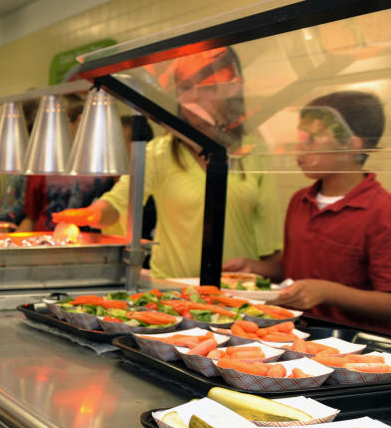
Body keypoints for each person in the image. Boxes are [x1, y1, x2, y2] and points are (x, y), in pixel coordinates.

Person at [55, 47, 282, 279]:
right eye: (185, 88)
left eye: (207, 88)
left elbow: (272, 253)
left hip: (236, 293)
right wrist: (90, 214)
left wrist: (256, 270)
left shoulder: (254, 151)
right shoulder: (159, 152)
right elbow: (118, 203)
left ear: (232, 90)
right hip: (171, 291)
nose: (193, 97)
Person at [223, 90, 391, 329]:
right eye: (299, 139)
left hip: (351, 347)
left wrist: (328, 292)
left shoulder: (382, 211)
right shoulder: (300, 200)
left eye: (310, 140)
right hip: (290, 331)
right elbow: (289, 270)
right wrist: (252, 269)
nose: (298, 150)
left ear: (351, 146)